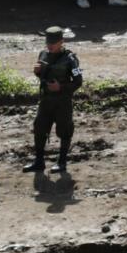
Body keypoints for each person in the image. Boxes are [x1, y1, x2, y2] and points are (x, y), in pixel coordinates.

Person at [23, 27, 83, 174]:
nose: (50, 45)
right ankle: (39, 161)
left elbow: (78, 81)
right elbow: (43, 76)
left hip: (62, 101)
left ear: (61, 42)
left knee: (65, 130)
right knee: (39, 128)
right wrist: (37, 73)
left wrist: (60, 87)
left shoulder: (70, 59)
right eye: (48, 42)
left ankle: (61, 162)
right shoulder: (43, 54)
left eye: (54, 43)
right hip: (46, 100)